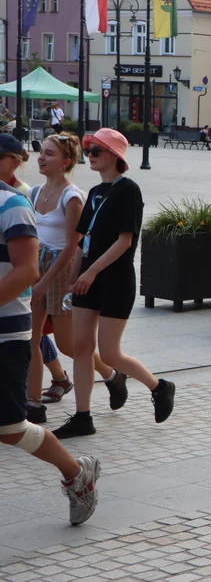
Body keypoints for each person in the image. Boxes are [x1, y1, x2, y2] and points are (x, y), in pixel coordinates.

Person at [53, 129, 176, 439]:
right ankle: (83, 416)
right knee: (82, 348)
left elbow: (125, 241)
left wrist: (91, 272)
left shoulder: (128, 191)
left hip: (116, 279)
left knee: (109, 353)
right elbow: (83, 241)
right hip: (87, 278)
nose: (91, 155)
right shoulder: (94, 193)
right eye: (89, 150)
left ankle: (159, 386)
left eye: (97, 150)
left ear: (115, 156)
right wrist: (74, 276)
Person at [0, 161, 101, 526]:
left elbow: (27, 270)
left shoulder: (11, 205)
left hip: (5, 334)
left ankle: (76, 474)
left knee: (10, 430)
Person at [26, 135, 122, 425]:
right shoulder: (34, 193)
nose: (41, 158)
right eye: (41, 152)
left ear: (66, 162)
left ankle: (112, 375)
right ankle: (32, 403)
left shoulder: (73, 197)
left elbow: (73, 245)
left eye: (50, 154)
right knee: (32, 337)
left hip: (60, 269)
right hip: (36, 265)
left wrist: (46, 281)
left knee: (70, 345)